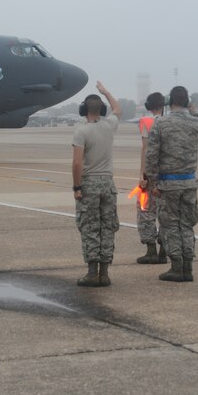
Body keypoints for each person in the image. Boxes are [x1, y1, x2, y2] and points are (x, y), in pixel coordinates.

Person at [144, 86, 198, 282]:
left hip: (168, 185)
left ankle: (177, 267)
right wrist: (195, 111)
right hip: (189, 183)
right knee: (187, 225)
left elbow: (151, 156)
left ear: (169, 102)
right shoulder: (196, 122)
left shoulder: (160, 124)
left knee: (170, 226)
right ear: (187, 102)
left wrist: (152, 183)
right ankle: (188, 267)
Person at [72, 81, 122, 287]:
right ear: (101, 110)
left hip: (90, 184)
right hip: (108, 185)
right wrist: (105, 92)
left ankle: (92, 273)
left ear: (84, 110)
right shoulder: (109, 126)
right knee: (107, 227)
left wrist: (77, 187)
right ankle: (105, 273)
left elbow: (77, 163)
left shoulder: (81, 132)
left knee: (90, 227)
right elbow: (118, 109)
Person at [135, 92, 168, 264]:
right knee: (166, 213)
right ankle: (164, 251)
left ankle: (151, 251)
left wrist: (143, 175)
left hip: (152, 174)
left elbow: (146, 149)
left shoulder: (146, 122)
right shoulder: (170, 122)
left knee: (145, 211)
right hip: (169, 175)